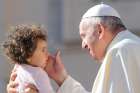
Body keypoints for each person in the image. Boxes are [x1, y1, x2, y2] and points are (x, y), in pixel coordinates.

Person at [7, 3, 140, 93]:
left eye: (84, 36)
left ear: (100, 30)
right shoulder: (127, 47)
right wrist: (62, 78)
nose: (83, 45)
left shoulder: (122, 51)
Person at [3, 24, 55, 93]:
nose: (47, 54)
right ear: (28, 55)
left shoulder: (17, 68)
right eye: (43, 50)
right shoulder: (39, 74)